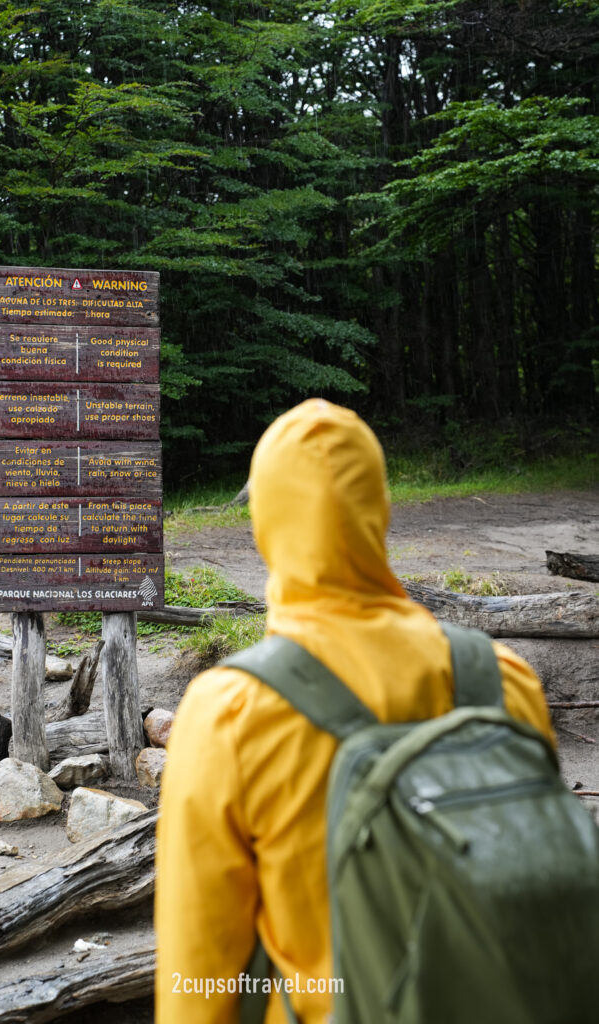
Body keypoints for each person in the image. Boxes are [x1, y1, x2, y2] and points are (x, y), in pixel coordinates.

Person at [154, 399, 554, 1024]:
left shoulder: (228, 713)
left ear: (264, 527)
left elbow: (198, 980)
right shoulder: (504, 680)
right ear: (380, 511)